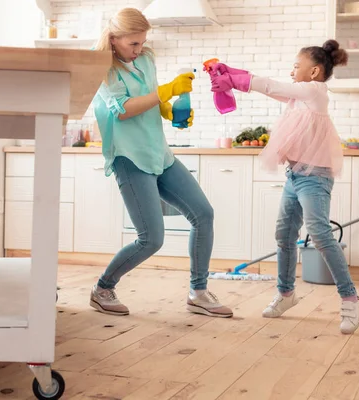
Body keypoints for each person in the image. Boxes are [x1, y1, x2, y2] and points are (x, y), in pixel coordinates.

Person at [209, 39, 359, 334]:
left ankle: (350, 298)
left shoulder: (314, 92)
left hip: (315, 176)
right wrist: (229, 72)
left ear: (314, 72)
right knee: (284, 234)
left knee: (319, 234)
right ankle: (286, 293)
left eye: (296, 66)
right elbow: (270, 88)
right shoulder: (300, 97)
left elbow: (269, 85)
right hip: (295, 175)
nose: (292, 71)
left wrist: (234, 80)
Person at [88, 7, 233, 318]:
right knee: (151, 239)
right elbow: (123, 110)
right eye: (133, 44)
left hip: (160, 153)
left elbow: (151, 99)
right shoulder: (100, 66)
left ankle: (198, 292)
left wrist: (171, 111)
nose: (139, 50)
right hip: (130, 157)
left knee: (203, 214)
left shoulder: (146, 59)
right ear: (113, 40)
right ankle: (103, 288)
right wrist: (167, 91)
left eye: (142, 42)